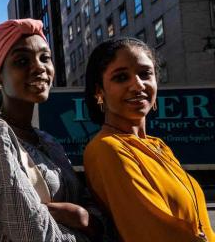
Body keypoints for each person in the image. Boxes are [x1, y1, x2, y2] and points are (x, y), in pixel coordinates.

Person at [0, 19, 104, 241]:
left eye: (45, 58)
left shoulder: (48, 141)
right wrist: (88, 229)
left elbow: (91, 207)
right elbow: (31, 234)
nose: (40, 67)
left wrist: (84, 216)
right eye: (22, 61)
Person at [83, 37, 215, 242]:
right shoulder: (106, 149)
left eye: (145, 74)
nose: (137, 85)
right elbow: (153, 234)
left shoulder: (159, 146)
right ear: (99, 90)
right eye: (121, 78)